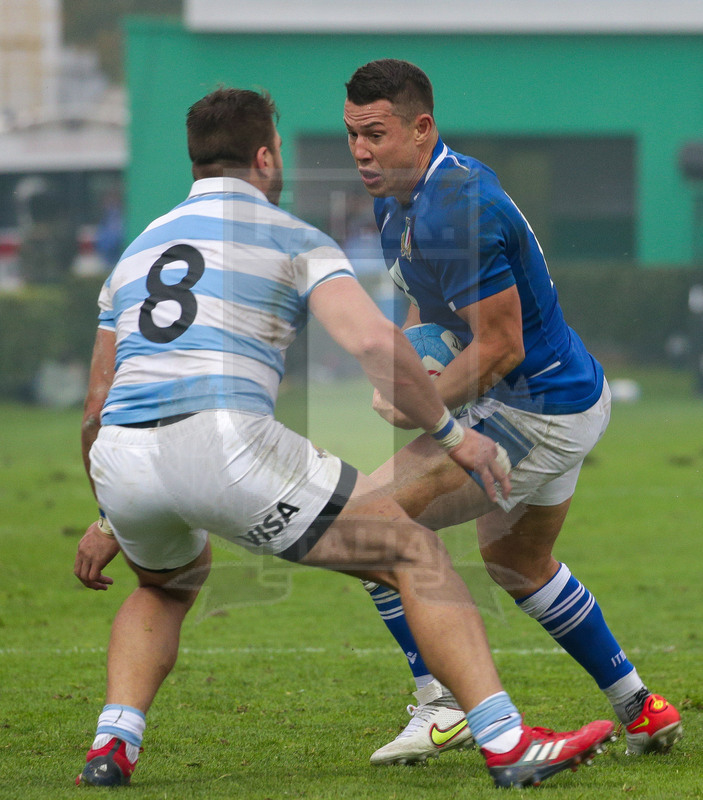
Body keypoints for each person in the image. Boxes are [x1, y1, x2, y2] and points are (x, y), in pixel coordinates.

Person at [72, 87, 614, 790]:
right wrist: (454, 435)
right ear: (265, 157)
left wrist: (111, 511)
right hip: (225, 444)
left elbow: (95, 403)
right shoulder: (293, 238)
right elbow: (368, 340)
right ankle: (505, 741)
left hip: (121, 457)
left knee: (165, 588)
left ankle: (112, 746)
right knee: (410, 548)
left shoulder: (137, 253)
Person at [342, 59, 683, 765]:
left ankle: (440, 706)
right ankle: (640, 707)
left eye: (375, 134)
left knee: (366, 528)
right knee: (518, 562)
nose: (361, 151)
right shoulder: (399, 199)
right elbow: (428, 305)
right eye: (352, 135)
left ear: (421, 127)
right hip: (559, 396)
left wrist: (423, 404)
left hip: (537, 411)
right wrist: (410, 361)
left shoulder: (458, 206)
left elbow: (498, 346)